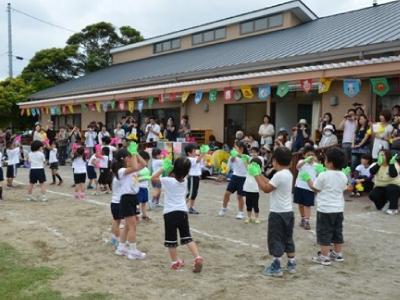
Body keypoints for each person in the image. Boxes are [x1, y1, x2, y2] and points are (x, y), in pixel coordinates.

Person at [151, 157, 203, 272]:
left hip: (170, 213)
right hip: (182, 212)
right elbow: (177, 176)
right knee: (187, 237)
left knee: (171, 240)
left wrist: (163, 168)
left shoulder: (168, 180)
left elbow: (153, 178)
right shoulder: (185, 181)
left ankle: (175, 262)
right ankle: (197, 257)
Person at [250, 147, 295, 277]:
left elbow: (266, 188)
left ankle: (276, 266)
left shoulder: (279, 175)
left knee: (276, 238)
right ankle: (291, 263)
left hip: (277, 213)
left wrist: (256, 175)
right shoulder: (288, 173)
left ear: (275, 161)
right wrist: (260, 174)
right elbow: (271, 183)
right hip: (288, 212)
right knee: (288, 238)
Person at [304, 147, 350, 266]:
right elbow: (343, 188)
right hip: (338, 209)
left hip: (325, 209)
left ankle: (324, 256)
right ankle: (337, 253)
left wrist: (308, 180)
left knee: (324, 232)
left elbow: (316, 188)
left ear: (329, 162)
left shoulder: (323, 175)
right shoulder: (343, 175)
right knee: (337, 231)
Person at [113, 146, 147, 260]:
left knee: (128, 226)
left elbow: (143, 164)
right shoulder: (122, 170)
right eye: (128, 156)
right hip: (127, 199)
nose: (130, 158)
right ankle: (133, 251)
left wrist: (136, 153)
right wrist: (133, 154)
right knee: (133, 226)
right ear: (124, 158)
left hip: (133, 198)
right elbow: (135, 166)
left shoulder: (131, 168)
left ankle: (121, 248)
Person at [219, 140, 248, 219]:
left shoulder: (246, 157)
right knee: (227, 193)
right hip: (235, 177)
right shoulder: (233, 156)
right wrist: (224, 175)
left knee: (240, 196)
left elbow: (247, 166)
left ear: (241, 148)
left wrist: (239, 155)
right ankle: (224, 208)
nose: (234, 149)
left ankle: (241, 212)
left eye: (236, 148)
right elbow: (229, 165)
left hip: (243, 178)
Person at [368, 149, 400, 215]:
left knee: (391, 188)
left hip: (394, 186)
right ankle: (383, 205)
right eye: (379, 155)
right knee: (373, 195)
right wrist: (378, 164)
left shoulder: (394, 164)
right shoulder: (376, 164)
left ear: (388, 156)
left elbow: (393, 175)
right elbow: (371, 172)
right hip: (380, 186)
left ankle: (393, 208)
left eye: (383, 155)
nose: (381, 156)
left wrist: (391, 165)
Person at [294, 146, 317, 230]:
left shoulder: (316, 165)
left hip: (310, 187)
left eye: (312, 154)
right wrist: (305, 160)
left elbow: (320, 174)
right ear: (304, 155)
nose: (310, 156)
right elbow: (298, 166)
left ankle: (307, 221)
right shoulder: (301, 162)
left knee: (307, 205)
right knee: (300, 204)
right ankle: (303, 218)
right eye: (308, 155)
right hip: (299, 186)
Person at [185, 144, 206, 214]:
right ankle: (181, 206)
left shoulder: (195, 158)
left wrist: (199, 175)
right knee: (190, 193)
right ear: (189, 153)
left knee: (194, 193)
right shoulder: (189, 159)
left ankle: (191, 207)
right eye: (194, 151)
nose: (195, 152)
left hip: (196, 177)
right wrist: (203, 153)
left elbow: (200, 165)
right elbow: (197, 161)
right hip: (192, 177)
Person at [243, 157, 262, 224]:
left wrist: (257, 168)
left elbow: (260, 174)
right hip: (248, 190)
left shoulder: (258, 171)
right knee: (248, 205)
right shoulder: (249, 169)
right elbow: (245, 164)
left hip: (255, 191)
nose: (252, 165)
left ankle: (257, 218)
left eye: (255, 164)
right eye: (252, 164)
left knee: (255, 205)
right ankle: (249, 217)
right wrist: (244, 158)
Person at [137, 151, 151, 221]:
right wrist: (145, 178)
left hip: (145, 187)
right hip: (138, 187)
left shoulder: (146, 168)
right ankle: (136, 215)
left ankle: (144, 215)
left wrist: (147, 177)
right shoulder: (137, 168)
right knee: (137, 203)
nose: (147, 162)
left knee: (144, 202)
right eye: (146, 160)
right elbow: (134, 179)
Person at [110, 176, 122, 249]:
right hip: (119, 202)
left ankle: (114, 238)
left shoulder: (115, 177)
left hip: (114, 201)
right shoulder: (120, 178)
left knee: (116, 220)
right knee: (121, 223)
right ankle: (118, 240)